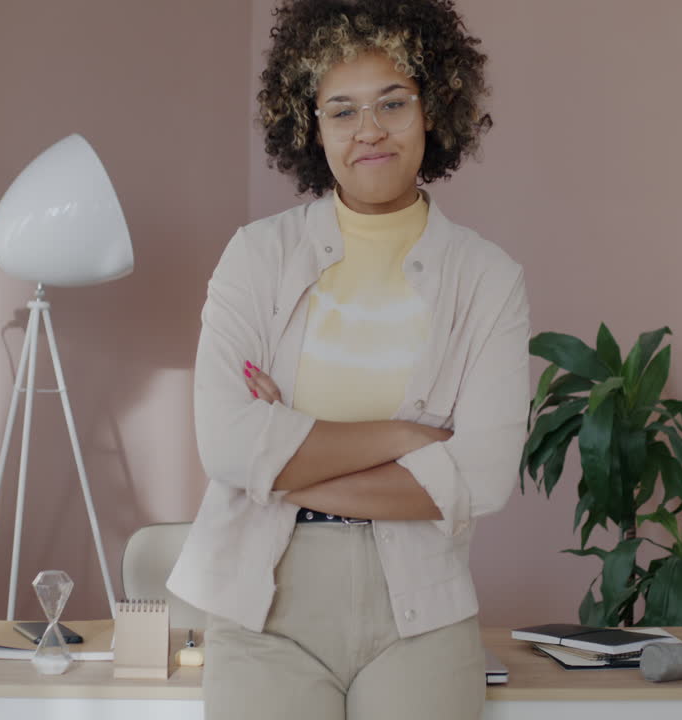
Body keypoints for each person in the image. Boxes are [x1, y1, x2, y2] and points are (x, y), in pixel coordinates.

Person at [167, 1, 529, 718]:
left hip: (421, 613)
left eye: (393, 103)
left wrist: (284, 462)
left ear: (434, 108)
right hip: (263, 611)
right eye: (342, 110)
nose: (369, 130)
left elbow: (482, 477)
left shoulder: (488, 278)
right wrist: (405, 439)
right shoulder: (256, 257)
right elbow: (228, 446)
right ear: (311, 124)